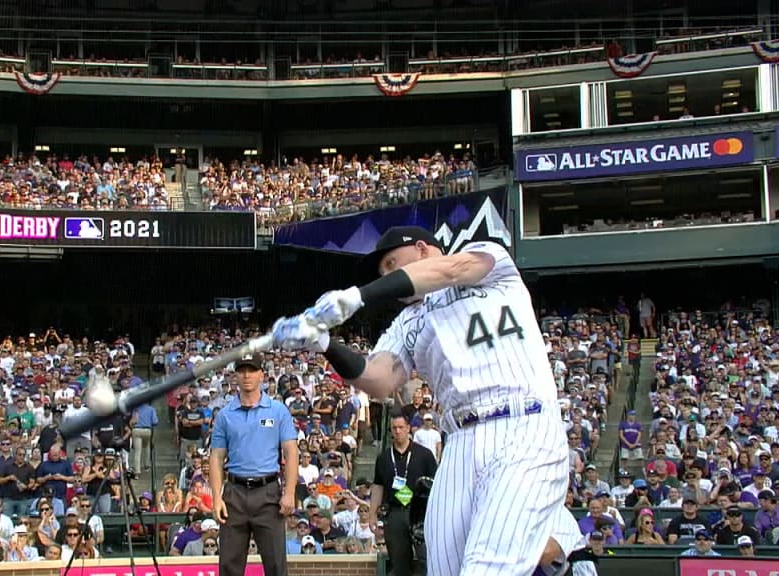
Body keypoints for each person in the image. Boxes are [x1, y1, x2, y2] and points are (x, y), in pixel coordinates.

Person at [273, 226, 585, 576]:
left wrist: (356, 297)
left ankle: (565, 539)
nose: (388, 277)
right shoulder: (407, 322)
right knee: (445, 568)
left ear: (422, 249)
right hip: (461, 442)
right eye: (384, 273)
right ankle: (559, 536)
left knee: (485, 568)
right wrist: (325, 345)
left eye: (392, 264)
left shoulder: (489, 261)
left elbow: (449, 270)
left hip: (523, 423)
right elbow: (378, 379)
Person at [210, 354, 299, 576]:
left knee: (276, 566)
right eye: (242, 370)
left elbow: (291, 451)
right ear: (235, 376)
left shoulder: (278, 410)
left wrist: (289, 493)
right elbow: (216, 457)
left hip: (268, 493)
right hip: (234, 494)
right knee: (229, 566)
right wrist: (216, 497)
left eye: (252, 370)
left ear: (262, 374)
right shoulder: (225, 415)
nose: (247, 375)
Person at [372, 413, 437, 576]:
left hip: (421, 513)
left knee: (426, 560)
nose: (398, 431)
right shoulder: (384, 458)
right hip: (395, 513)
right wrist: (373, 513)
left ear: (408, 429)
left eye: (401, 427)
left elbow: (436, 485)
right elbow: (378, 486)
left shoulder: (425, 454)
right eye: (394, 428)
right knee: (399, 563)